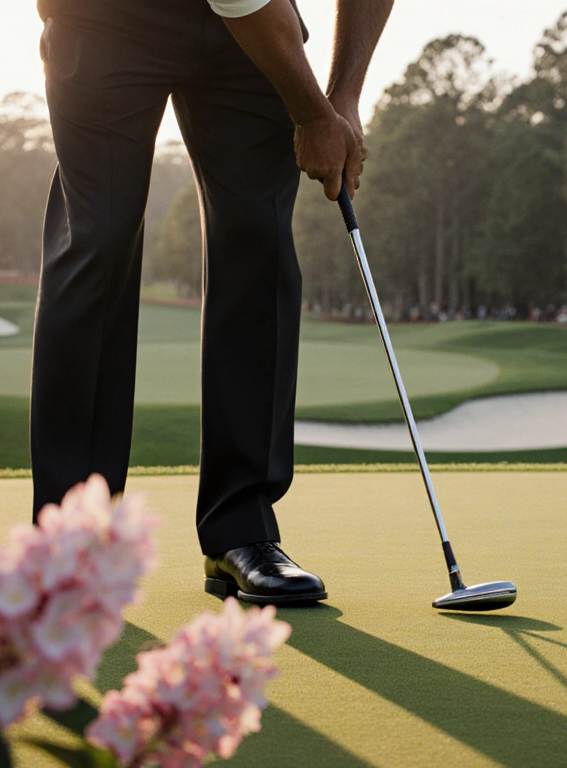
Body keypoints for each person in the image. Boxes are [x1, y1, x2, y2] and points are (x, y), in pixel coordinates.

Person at [30, 0, 392, 606]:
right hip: (102, 17)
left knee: (258, 232)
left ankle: (241, 528)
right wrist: (311, 111)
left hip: (249, 26)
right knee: (100, 234)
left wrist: (344, 98)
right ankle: (73, 538)